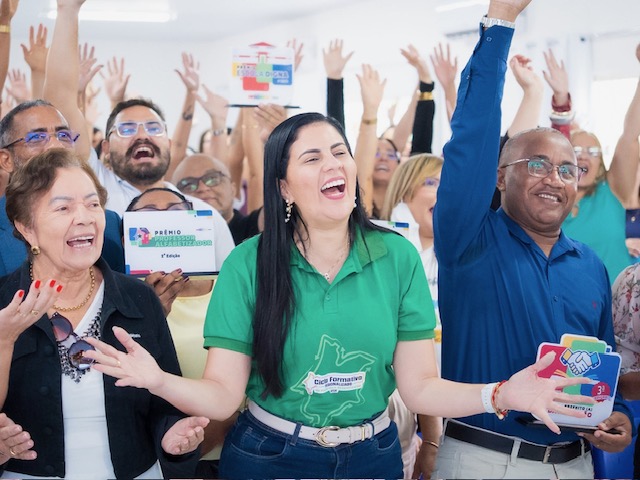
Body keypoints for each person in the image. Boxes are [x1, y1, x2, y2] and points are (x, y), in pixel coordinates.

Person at [87, 111, 592, 479]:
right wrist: (157, 380)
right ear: (284, 187)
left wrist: (500, 394)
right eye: (312, 157)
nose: (334, 164)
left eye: (339, 152)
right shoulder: (248, 263)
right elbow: (222, 395)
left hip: (373, 457)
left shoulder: (396, 257)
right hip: (269, 456)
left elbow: (419, 388)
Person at [432, 1, 633, 478]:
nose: (554, 178)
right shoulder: (469, 242)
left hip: (575, 463)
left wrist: (618, 415)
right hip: (485, 460)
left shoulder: (590, 266)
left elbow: (601, 366)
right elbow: (473, 135)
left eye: (567, 170)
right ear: (500, 177)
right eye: (537, 165)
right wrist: (501, 20)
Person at [0, 148, 208, 479]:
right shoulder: (4, 301)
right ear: (27, 228)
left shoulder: (139, 297)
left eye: (93, 204)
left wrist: (172, 436)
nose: (85, 217)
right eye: (64, 208)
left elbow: (165, 402)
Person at [126, 187, 240, 478]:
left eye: (176, 212)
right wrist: (150, 317)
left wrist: (214, 434)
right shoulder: (123, 301)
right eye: (148, 214)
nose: (165, 221)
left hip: (233, 451)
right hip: (161, 459)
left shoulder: (233, 289)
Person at [95, 97, 234, 268]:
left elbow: (229, 280)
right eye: (127, 129)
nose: (142, 135)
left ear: (169, 144)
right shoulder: (95, 200)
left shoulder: (207, 216)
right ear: (106, 147)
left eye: (154, 128)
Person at [0, 100, 125, 276]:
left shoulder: (109, 224)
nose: (56, 145)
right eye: (37, 138)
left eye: (63, 135)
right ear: (6, 160)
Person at [380, 153, 445, 478]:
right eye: (432, 183)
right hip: (388, 411)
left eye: (448, 184)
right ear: (404, 192)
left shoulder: (459, 260)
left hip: (447, 408)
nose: (443, 191)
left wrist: (432, 439)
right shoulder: (378, 249)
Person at [171, 154, 263, 245]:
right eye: (188, 185)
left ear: (233, 189)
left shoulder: (255, 227)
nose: (202, 188)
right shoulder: (171, 240)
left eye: (212, 179)